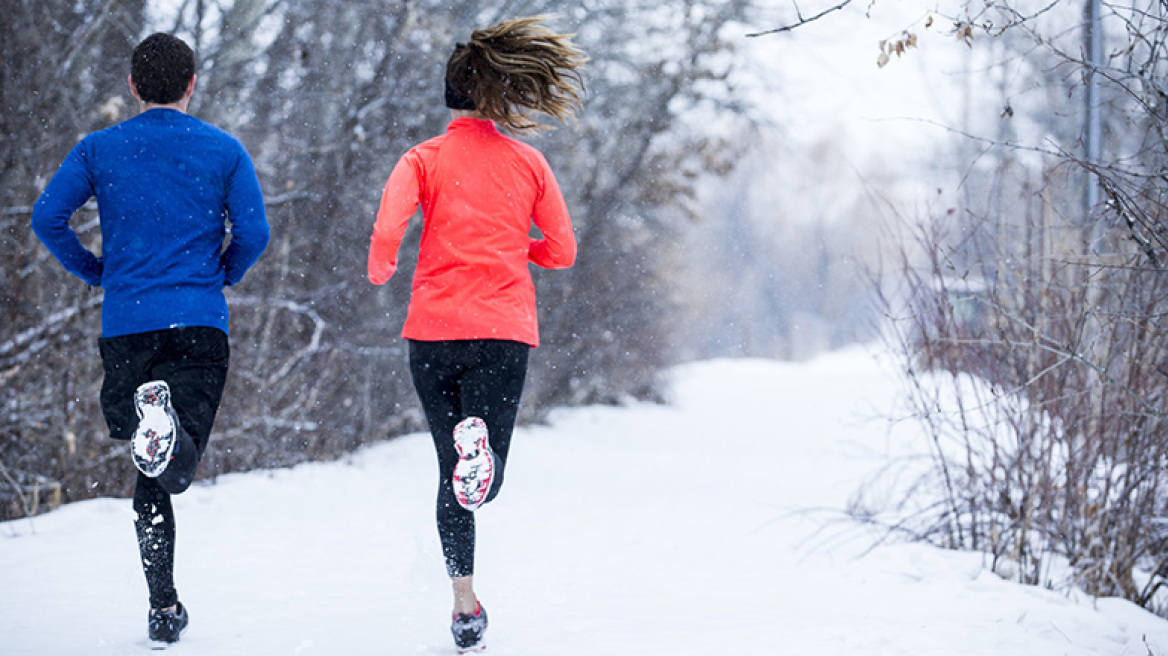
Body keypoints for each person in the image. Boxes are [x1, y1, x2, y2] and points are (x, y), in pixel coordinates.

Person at [31, 32, 270, 645]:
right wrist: (225, 271)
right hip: (197, 322)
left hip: (129, 326)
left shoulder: (98, 149)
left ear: (133, 86)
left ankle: (163, 608)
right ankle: (163, 434)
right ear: (192, 85)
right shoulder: (223, 150)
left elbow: (47, 218)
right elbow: (255, 231)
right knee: (172, 466)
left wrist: (95, 271)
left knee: (148, 464)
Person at [367, 15, 585, 654]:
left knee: (452, 472)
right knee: (481, 474)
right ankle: (478, 446)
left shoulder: (423, 158)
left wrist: (382, 268)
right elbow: (563, 251)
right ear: (501, 93)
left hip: (432, 331)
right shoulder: (528, 162)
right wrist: (521, 250)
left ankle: (465, 605)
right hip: (501, 329)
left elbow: (388, 230)